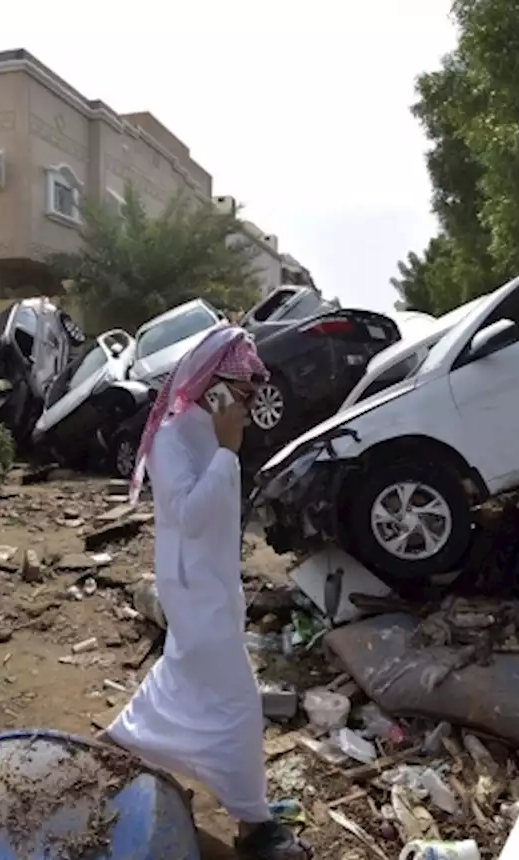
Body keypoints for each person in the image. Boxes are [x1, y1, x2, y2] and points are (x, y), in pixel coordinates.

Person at [99, 325, 310, 860]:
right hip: (193, 588)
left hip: (211, 585)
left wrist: (225, 450)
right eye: (238, 391)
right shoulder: (174, 437)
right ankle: (254, 824)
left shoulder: (204, 433)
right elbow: (191, 517)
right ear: (212, 384)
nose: (245, 402)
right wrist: (227, 452)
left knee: (186, 677)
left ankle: (119, 745)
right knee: (237, 701)